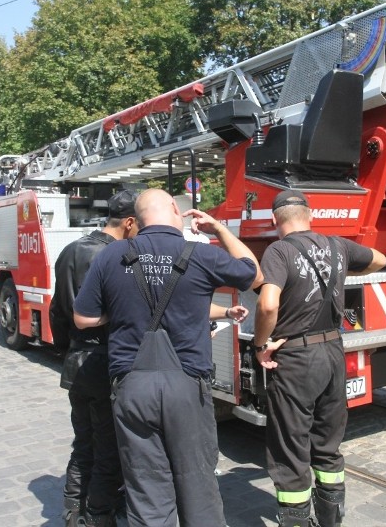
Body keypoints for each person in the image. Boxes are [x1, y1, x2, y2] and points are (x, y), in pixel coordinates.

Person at [73, 188, 263, 527]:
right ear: (176, 209)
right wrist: (219, 229)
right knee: (198, 483)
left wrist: (117, 314)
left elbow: (83, 318)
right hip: (187, 386)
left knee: (146, 487)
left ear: (138, 217)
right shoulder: (201, 254)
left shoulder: (111, 255)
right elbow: (253, 273)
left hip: (132, 386)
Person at [252, 190, 386, 527]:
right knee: (328, 444)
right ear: (310, 215)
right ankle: (331, 521)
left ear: (274, 220)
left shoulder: (278, 251)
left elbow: (268, 304)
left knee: (291, 444)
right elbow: (380, 260)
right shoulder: (337, 246)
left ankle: (296, 521)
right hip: (333, 353)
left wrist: (260, 344)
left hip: (297, 357)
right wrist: (341, 274)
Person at [50, 190, 139, 527]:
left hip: (77, 360)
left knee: (83, 441)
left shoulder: (70, 251)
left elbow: (57, 308)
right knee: (109, 446)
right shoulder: (118, 256)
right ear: (129, 222)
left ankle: (73, 511)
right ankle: (99, 514)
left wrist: (65, 348)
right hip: (107, 360)